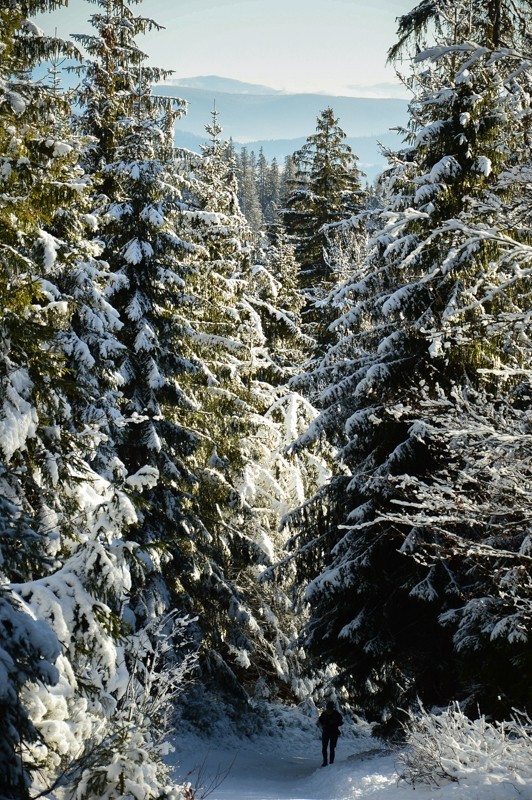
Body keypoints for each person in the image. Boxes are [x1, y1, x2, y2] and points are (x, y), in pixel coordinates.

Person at [318, 700, 343, 766]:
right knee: (325, 748)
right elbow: (320, 720)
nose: (329, 710)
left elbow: (341, 722)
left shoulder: (336, 714)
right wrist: (324, 724)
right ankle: (326, 762)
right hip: (327, 731)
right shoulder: (325, 713)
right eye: (328, 708)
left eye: (330, 708)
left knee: (331, 748)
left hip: (333, 732)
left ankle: (330, 762)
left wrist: (334, 723)